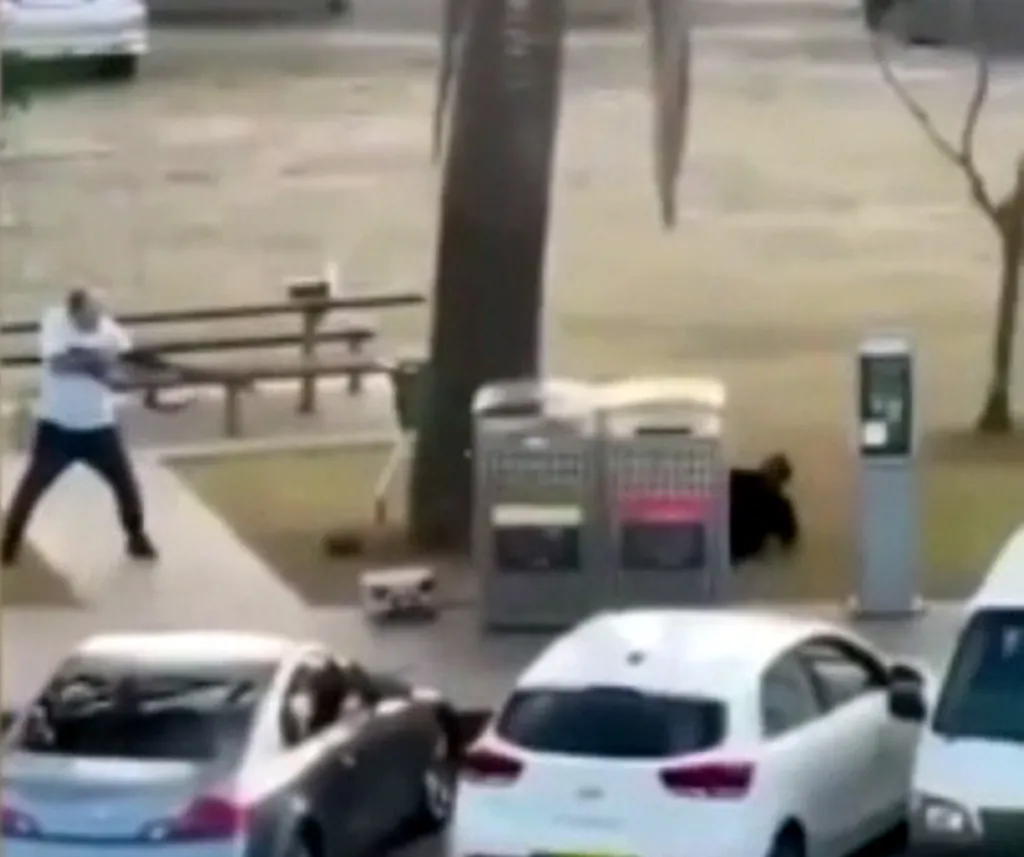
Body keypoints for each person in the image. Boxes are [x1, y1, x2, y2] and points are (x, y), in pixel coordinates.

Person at [1, 289, 158, 566]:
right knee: (32, 487)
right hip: (57, 429)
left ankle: (136, 537)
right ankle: (9, 544)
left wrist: (132, 375)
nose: (97, 320)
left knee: (125, 485)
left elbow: (122, 369)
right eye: (90, 316)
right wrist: (98, 364)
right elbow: (59, 364)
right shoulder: (55, 321)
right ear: (74, 314)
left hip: (99, 427)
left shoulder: (109, 330)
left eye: (99, 312)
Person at [729, 452, 799, 564]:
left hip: (741, 551)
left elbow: (789, 536)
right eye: (770, 469)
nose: (771, 475)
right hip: (729, 543)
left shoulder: (780, 506)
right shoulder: (740, 479)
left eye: (776, 473)